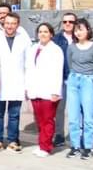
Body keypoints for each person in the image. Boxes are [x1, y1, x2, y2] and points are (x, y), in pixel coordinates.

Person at [0, 12, 31, 152]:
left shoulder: (24, 40)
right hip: (1, 81)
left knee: (14, 114)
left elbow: (28, 63)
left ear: (17, 25)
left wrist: (28, 85)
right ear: (3, 24)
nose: (10, 26)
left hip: (17, 81)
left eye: (13, 23)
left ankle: (13, 140)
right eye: (7, 23)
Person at [65, 19, 93, 160]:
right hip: (74, 80)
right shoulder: (71, 47)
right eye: (76, 30)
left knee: (89, 115)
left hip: (88, 80)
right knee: (74, 116)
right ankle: (75, 146)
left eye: (81, 29)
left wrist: (90, 77)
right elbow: (70, 63)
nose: (78, 32)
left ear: (88, 30)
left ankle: (88, 147)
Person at [26, 23, 64, 158]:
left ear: (51, 34)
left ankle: (46, 147)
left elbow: (57, 72)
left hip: (49, 91)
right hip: (35, 89)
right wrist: (27, 88)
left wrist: (55, 91)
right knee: (39, 119)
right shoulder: (33, 48)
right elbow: (29, 70)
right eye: (40, 32)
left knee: (48, 119)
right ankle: (41, 144)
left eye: (46, 32)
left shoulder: (56, 50)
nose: (43, 34)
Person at [51, 11, 78, 148]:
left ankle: (77, 137)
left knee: (77, 109)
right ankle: (59, 135)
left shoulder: (80, 37)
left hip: (76, 78)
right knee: (59, 109)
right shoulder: (56, 39)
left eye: (71, 22)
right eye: (65, 22)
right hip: (60, 79)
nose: (68, 24)